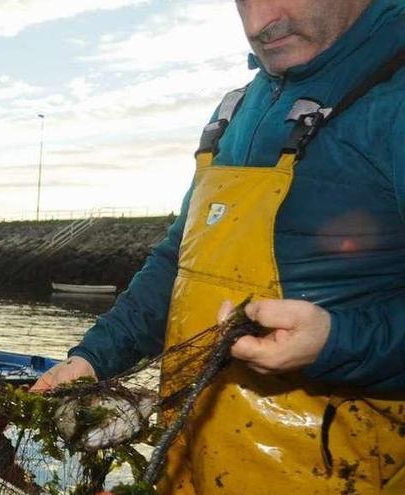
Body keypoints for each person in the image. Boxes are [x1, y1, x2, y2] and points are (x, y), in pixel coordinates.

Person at [33, 0, 405, 493]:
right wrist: (93, 360)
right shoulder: (236, 109)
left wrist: (336, 342)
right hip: (188, 466)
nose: (257, 24)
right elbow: (176, 262)